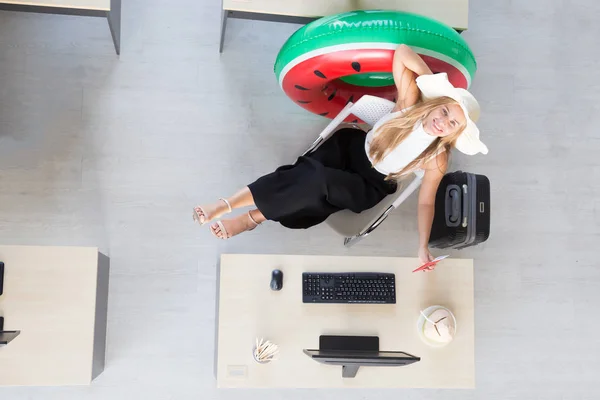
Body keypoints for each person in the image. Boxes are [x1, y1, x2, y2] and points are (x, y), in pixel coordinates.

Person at [192, 44, 488, 265]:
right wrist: (434, 84)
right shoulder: (410, 101)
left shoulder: (436, 157)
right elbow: (402, 52)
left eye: (453, 124)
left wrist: (423, 246)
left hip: (371, 184)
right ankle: (251, 217)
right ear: (438, 104)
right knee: (306, 178)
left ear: (454, 134)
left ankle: (232, 206)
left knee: (316, 180)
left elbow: (425, 203)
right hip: (351, 148)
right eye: (445, 110)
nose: (443, 121)